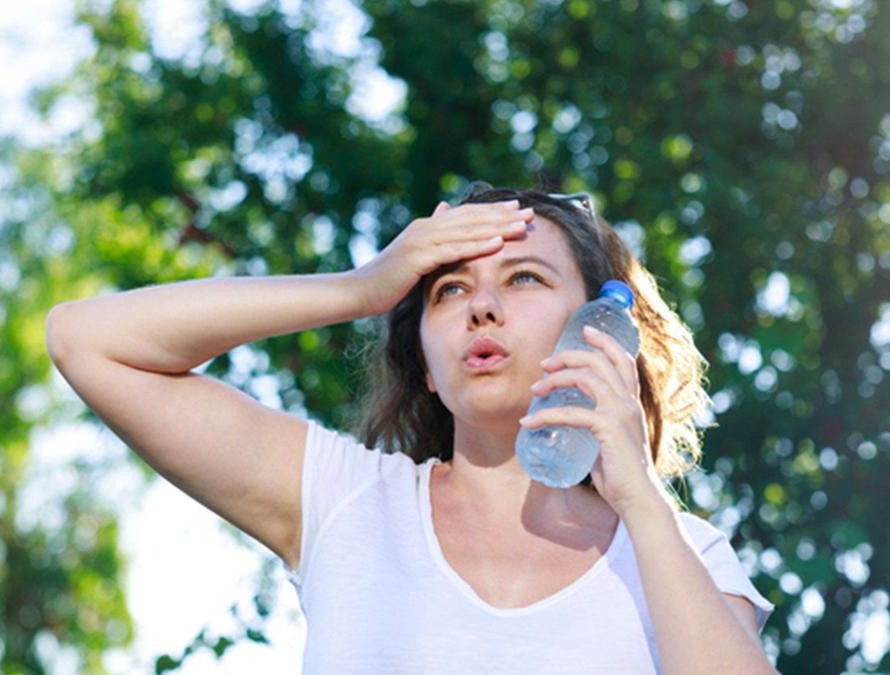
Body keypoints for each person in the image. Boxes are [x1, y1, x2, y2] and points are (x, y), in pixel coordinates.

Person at [45, 182, 776, 673]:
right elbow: (87, 341)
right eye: (449, 289)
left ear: (598, 328)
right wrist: (359, 287)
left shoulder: (682, 554)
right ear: (425, 363)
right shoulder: (343, 500)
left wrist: (641, 499)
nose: (481, 307)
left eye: (524, 277)